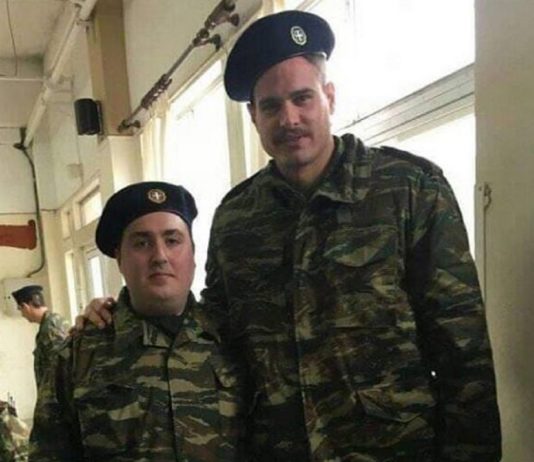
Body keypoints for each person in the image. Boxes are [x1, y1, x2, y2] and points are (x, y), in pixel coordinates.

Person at [79, 10, 501, 461]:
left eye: (303, 98)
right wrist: (122, 315)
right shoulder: (236, 218)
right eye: (271, 106)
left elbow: (462, 346)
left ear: (329, 97)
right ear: (253, 116)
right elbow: (210, 332)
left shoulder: (408, 189)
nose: (290, 118)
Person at [29, 182, 246, 462]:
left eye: (172, 240)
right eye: (142, 243)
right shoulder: (77, 357)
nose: (160, 256)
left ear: (193, 254)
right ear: (119, 258)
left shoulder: (236, 340)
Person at [11, 285, 69, 388]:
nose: (22, 314)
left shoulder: (50, 327)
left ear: (25, 306)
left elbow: (59, 367)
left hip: (58, 392)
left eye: (20, 309)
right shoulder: (50, 323)